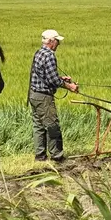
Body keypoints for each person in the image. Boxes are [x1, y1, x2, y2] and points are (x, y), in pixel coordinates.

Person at [28, 30, 79, 162]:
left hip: (34, 95)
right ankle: (57, 156)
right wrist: (70, 86)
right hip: (44, 97)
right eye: (57, 41)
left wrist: (61, 78)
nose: (59, 44)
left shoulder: (38, 53)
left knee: (38, 126)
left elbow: (43, 75)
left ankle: (40, 155)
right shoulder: (49, 55)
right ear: (51, 41)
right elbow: (53, 81)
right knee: (52, 126)